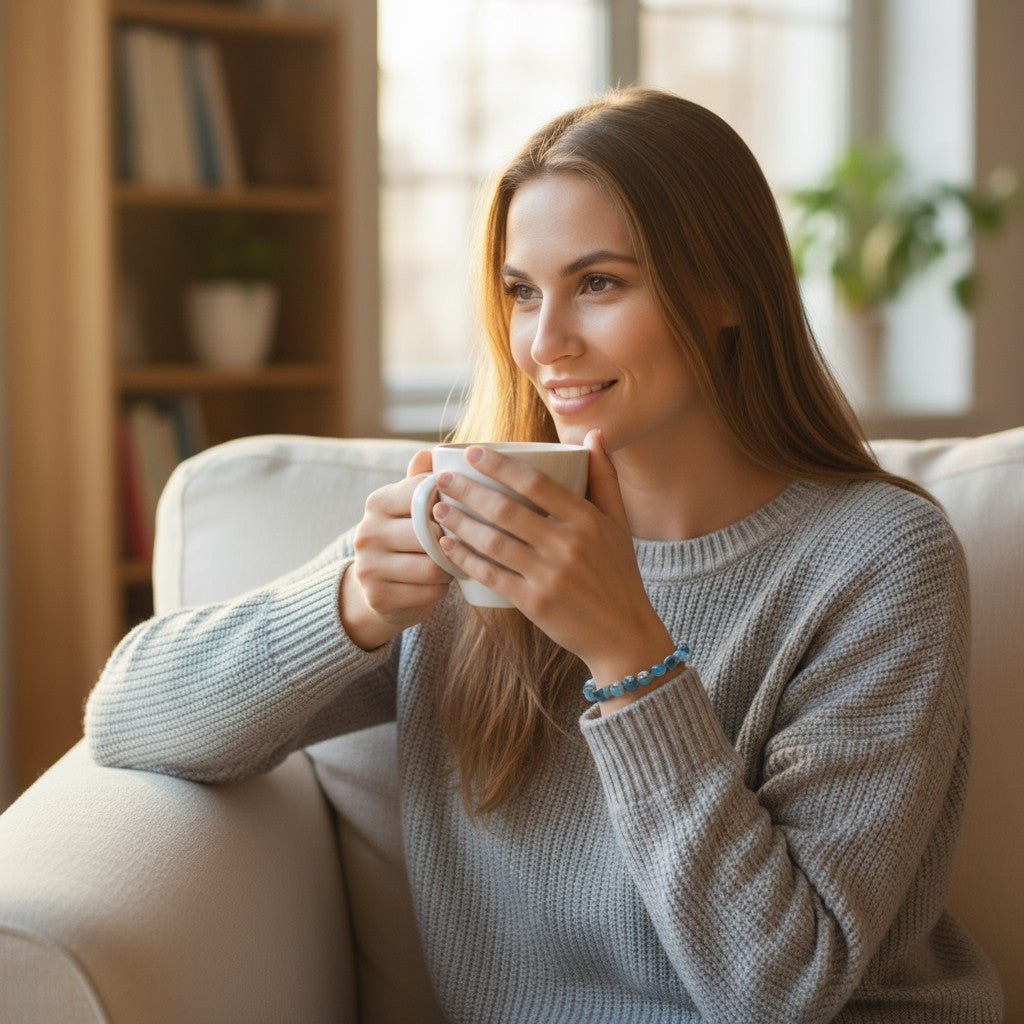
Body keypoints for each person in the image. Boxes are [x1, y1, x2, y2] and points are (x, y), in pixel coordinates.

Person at [85, 88, 1002, 1022]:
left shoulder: (878, 559)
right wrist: (351, 604)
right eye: (523, 292)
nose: (545, 342)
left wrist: (633, 662)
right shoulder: (482, 522)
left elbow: (776, 991)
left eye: (599, 283)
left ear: (728, 288)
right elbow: (129, 721)